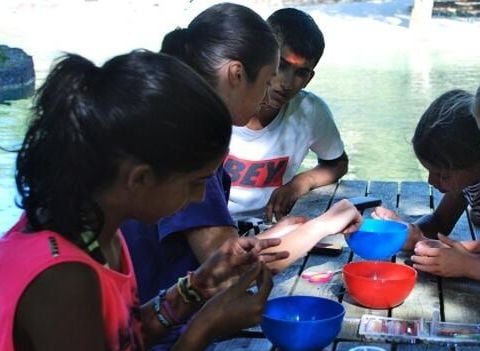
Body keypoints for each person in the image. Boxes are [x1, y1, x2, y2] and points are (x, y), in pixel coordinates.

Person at [0, 50, 292, 351]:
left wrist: (197, 286)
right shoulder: (62, 280)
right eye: (194, 183)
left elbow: (113, 348)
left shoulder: (98, 231)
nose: (200, 198)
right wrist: (201, 330)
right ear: (139, 179)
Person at [122, 2, 361, 308]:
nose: (273, 92)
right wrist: (324, 224)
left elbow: (215, 256)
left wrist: (268, 237)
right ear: (236, 75)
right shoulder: (190, 147)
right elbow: (229, 275)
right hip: (156, 319)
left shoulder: (173, 120)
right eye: (267, 80)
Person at [225, 8, 348, 226]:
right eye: (282, 65)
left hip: (267, 226)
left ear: (309, 79)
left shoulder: (310, 111)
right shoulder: (220, 102)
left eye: (301, 73)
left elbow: (337, 163)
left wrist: (301, 182)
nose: (287, 83)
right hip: (208, 224)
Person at [373, 89, 480, 279]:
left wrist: (468, 266)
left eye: (443, 175)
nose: (431, 181)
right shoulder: (465, 181)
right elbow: (440, 222)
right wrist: (412, 234)